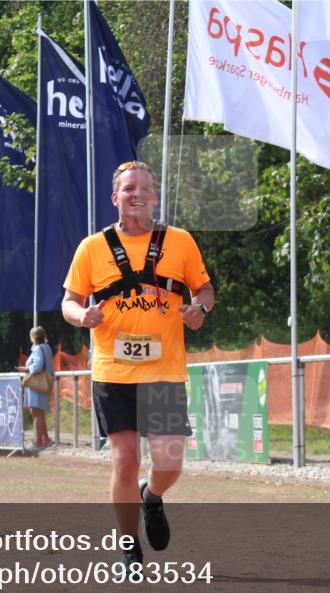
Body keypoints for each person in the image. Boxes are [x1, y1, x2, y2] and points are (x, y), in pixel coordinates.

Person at [62, 160, 214, 569]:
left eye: (145, 188)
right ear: (115, 197)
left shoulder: (180, 241)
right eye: (129, 189)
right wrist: (82, 316)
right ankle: (129, 546)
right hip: (113, 370)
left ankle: (152, 496)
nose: (138, 195)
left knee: (169, 463)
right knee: (125, 459)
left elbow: (204, 289)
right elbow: (69, 301)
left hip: (164, 371)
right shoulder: (91, 247)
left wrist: (199, 309)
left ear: (155, 197)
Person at [16, 326, 54, 448]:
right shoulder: (47, 347)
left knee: (36, 412)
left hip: (36, 383)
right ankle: (45, 439)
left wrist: (26, 369)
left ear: (33, 337)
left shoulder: (37, 349)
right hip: (44, 382)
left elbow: (37, 366)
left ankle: (38, 441)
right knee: (39, 412)